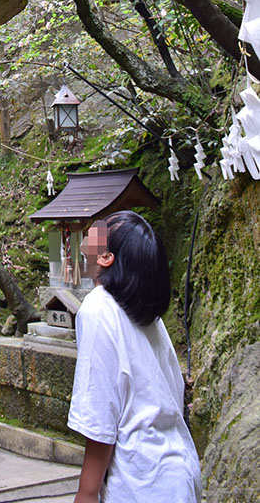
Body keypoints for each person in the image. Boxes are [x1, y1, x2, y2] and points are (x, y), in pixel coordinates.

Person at [68, 210, 202, 503]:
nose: (93, 227)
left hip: (143, 483)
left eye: (101, 227)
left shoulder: (98, 309)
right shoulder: (148, 317)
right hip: (178, 472)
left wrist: (87, 492)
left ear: (106, 257)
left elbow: (101, 415)